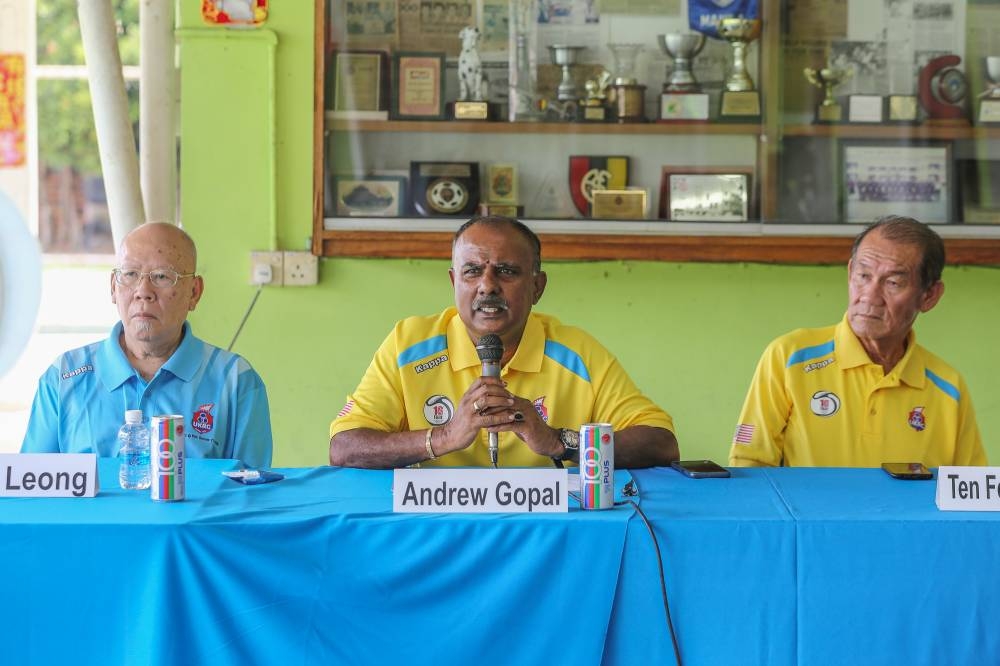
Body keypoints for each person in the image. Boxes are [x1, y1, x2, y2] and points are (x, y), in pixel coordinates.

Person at [329, 215, 679, 469]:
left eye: (507, 271)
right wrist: (445, 437)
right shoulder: (409, 344)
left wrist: (560, 441)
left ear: (537, 287)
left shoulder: (577, 353)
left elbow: (661, 442)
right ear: (454, 282)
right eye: (472, 271)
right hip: (436, 531)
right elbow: (344, 447)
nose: (487, 286)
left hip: (545, 537)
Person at [729, 215, 985, 468]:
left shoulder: (948, 389)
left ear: (929, 296)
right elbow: (750, 462)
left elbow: (972, 497)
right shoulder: (790, 358)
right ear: (850, 273)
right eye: (863, 276)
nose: (870, 296)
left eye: (893, 282)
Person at [21, 222, 273, 468]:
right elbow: (31, 492)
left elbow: (250, 497)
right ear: (113, 287)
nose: (143, 291)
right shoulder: (64, 377)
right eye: (130, 274)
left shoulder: (236, 381)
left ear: (194, 292)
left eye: (163, 276)